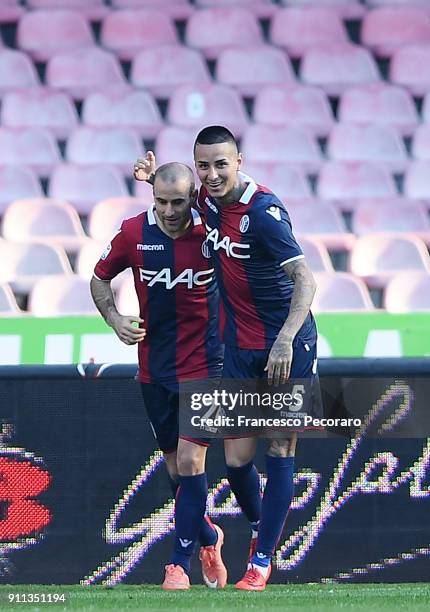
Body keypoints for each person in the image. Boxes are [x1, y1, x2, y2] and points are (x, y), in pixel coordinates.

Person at [134, 126, 318, 591]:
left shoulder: (265, 213)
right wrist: (154, 176)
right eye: (204, 166)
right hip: (238, 346)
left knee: (279, 447)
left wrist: (285, 340)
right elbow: (176, 195)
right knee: (236, 461)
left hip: (285, 348)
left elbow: (306, 281)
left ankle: (260, 561)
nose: (212, 174)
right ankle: (260, 528)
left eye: (221, 164)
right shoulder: (207, 201)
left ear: (239, 161)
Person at [90, 162, 227, 591]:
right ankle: (207, 534)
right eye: (161, 201)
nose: (168, 211)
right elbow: (98, 279)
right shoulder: (133, 232)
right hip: (155, 368)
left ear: (194, 199)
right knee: (174, 469)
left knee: (190, 462)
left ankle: (178, 566)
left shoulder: (213, 231)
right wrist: (114, 318)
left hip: (208, 365)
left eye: (177, 202)